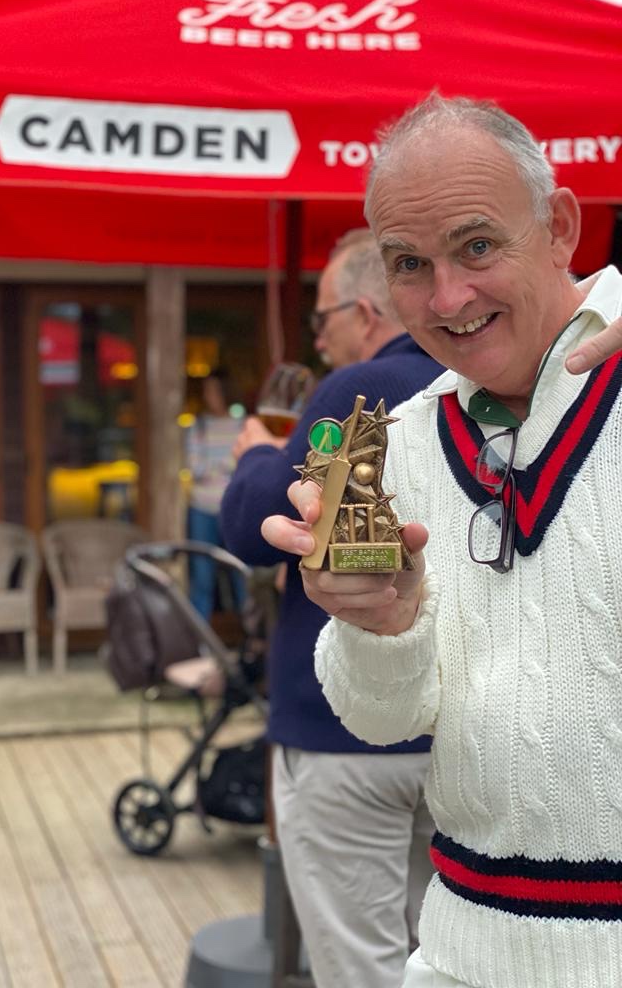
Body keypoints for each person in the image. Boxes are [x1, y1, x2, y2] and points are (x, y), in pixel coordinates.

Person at [261, 93, 622, 988]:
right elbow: (384, 720)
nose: (448, 297)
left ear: (560, 227)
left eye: (478, 246)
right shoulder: (406, 439)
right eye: (409, 264)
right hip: (464, 952)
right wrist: (379, 629)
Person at [221, 230, 444, 988]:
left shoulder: (360, 388)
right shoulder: (488, 380)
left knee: (358, 965)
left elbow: (250, 525)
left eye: (321, 320)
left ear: (366, 312)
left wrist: (256, 452)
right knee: (443, 957)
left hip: (339, 727)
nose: (317, 339)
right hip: (454, 726)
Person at [185, 369, 244, 619]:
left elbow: (246, 465)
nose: (209, 396)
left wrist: (215, 465)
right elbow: (194, 468)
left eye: (213, 390)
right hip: (201, 509)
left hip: (234, 509)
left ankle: (253, 635)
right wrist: (227, 464)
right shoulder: (197, 426)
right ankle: (200, 639)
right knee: (202, 578)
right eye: (206, 391)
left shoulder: (243, 425)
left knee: (241, 575)